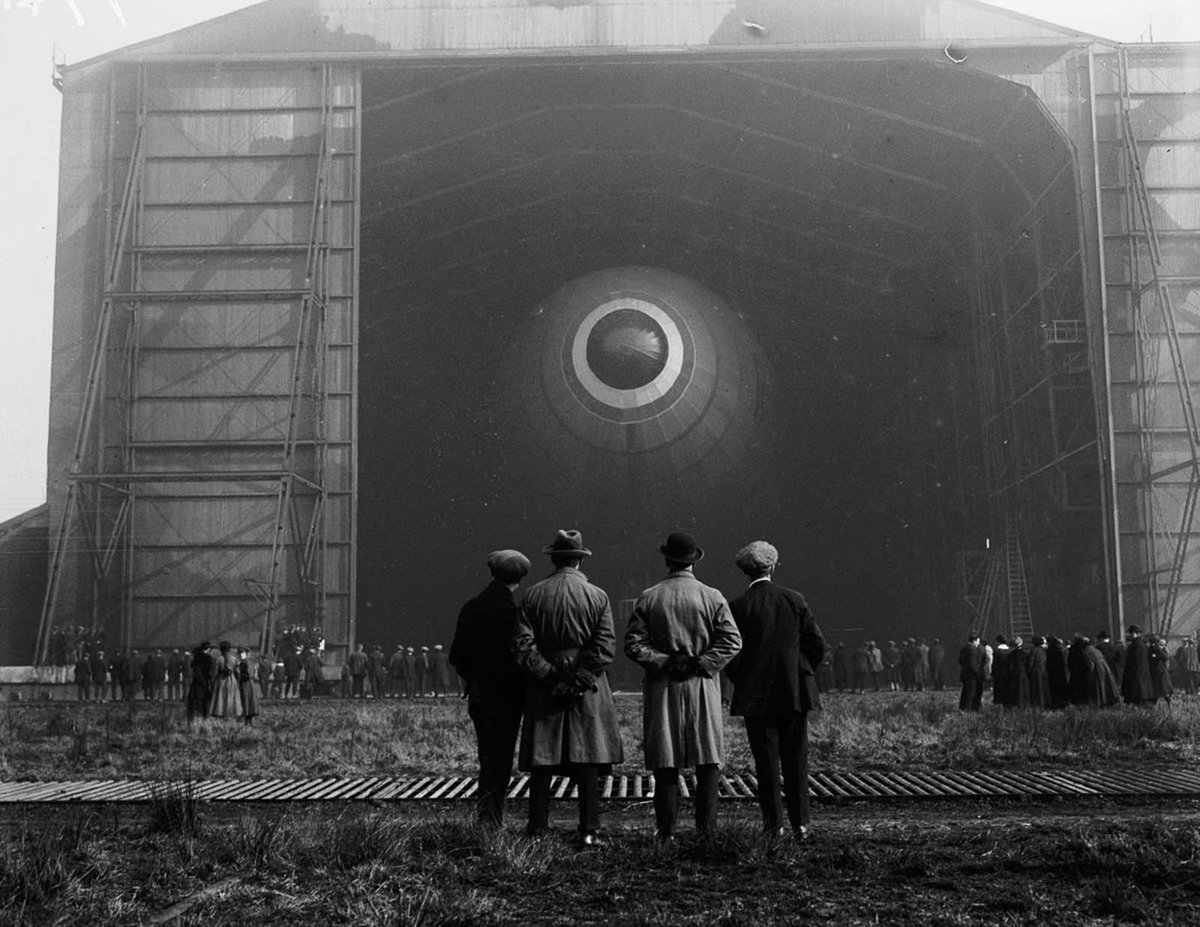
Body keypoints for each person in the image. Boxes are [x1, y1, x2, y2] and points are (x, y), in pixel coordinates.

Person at [624, 532, 742, 841]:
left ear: (667, 559)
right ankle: (707, 832)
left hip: (664, 686)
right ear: (694, 561)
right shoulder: (712, 596)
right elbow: (732, 641)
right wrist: (701, 663)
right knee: (707, 758)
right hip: (702, 685)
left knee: (666, 759)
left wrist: (664, 660)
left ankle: (666, 833)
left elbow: (634, 645)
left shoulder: (649, 596)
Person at [513, 529, 624, 846]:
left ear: (553, 558)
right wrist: (578, 680)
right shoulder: (597, 595)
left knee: (542, 756)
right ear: (579, 559)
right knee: (588, 753)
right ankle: (589, 830)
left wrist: (550, 677)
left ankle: (537, 829)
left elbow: (522, 647)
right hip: (587, 685)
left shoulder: (532, 595)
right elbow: (604, 648)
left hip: (545, 683)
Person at [725, 540, 824, 841]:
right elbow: (817, 645)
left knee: (766, 764)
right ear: (773, 566)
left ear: (745, 571)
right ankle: (801, 824)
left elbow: (732, 653)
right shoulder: (795, 600)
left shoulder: (738, 606)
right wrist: (802, 671)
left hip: (756, 698)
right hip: (794, 693)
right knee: (796, 760)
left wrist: (744, 680)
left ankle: (773, 826)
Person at [449, 548, 532, 828]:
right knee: (500, 760)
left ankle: (487, 816)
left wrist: (474, 677)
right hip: (507, 698)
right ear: (518, 580)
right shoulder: (513, 613)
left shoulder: (470, 607)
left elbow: (456, 656)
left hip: (480, 694)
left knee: (487, 756)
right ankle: (490, 820)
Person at [209, 640, 243, 719]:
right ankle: (231, 713)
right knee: (231, 697)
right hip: (231, 680)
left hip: (221, 680)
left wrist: (212, 681)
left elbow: (214, 673)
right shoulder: (234, 659)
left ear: (221, 649)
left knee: (221, 697)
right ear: (229, 649)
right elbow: (238, 672)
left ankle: (220, 712)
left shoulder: (218, 659)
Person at [1122, 625, 1155, 706]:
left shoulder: (1136, 645)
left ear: (1135, 633)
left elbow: (1134, 659)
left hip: (1136, 671)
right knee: (1141, 690)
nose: (1129, 635)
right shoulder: (1141, 644)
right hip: (1142, 671)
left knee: (1137, 690)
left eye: (1131, 633)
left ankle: (1138, 704)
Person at [186, 641, 215, 723]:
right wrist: (207, 682)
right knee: (202, 703)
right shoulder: (207, 659)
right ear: (208, 650)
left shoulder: (197, 658)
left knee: (195, 703)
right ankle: (202, 719)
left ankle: (195, 720)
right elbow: (205, 672)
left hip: (196, 684)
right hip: (202, 684)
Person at [958, 631, 985, 712]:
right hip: (972, 676)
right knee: (971, 693)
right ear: (974, 641)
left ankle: (962, 708)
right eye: (977, 641)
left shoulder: (964, 648)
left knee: (965, 692)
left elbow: (960, 661)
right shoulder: (972, 650)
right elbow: (972, 664)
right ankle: (969, 709)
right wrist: (977, 673)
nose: (978, 643)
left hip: (965, 674)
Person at [236, 646, 259, 725]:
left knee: (247, 700)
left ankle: (248, 720)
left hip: (247, 684)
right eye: (239, 653)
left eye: (242, 653)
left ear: (246, 654)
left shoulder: (246, 662)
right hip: (246, 684)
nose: (240, 655)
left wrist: (240, 675)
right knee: (247, 701)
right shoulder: (244, 662)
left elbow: (249, 674)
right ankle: (248, 720)